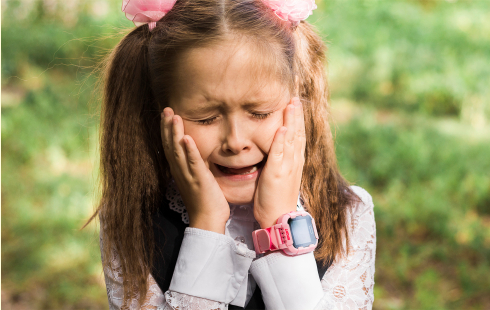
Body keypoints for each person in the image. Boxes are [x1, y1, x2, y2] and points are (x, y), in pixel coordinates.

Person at [87, 0, 376, 309]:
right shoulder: (133, 223)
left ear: (297, 104)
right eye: (206, 118)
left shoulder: (348, 214)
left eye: (260, 113)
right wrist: (207, 225)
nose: (235, 142)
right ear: (160, 114)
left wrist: (279, 227)